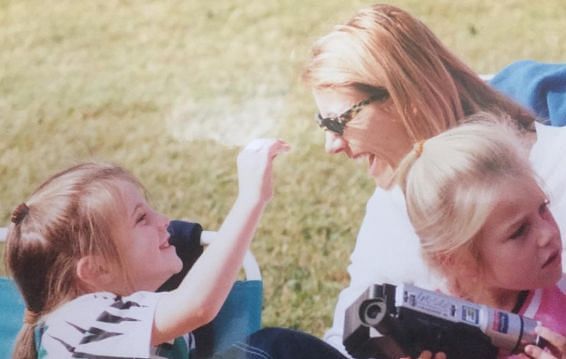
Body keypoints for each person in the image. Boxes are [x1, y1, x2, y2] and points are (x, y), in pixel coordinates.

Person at [302, 3, 566, 356]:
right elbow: (346, 340)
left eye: (337, 122)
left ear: (403, 100)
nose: (331, 145)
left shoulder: (552, 170)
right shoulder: (393, 202)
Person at [3, 139, 350, 359]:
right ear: (95, 270)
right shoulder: (77, 325)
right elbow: (197, 305)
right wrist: (251, 199)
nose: (164, 220)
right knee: (267, 350)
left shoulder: (126, 313)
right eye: (141, 218)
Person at [395, 116, 565, 358]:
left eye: (543, 208)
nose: (547, 234)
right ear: (454, 260)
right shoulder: (428, 334)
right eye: (519, 231)